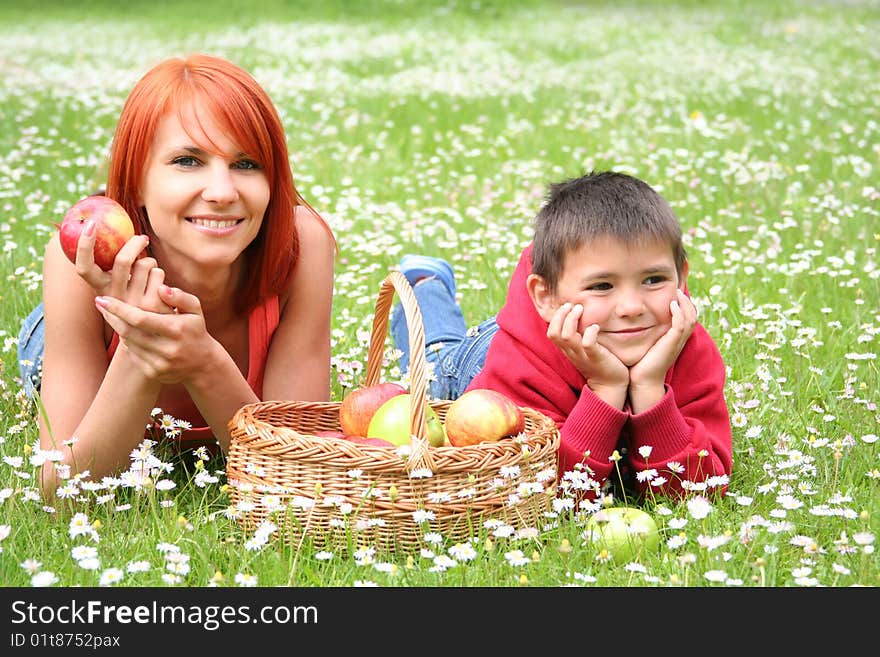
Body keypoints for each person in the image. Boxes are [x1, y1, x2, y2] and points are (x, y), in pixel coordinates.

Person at [17, 54, 336, 497]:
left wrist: (202, 361)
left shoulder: (301, 246)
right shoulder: (81, 260)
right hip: (87, 319)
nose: (223, 193)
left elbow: (292, 477)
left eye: (246, 164)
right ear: (136, 182)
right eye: (188, 161)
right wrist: (139, 341)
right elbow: (61, 491)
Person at [392, 171, 732, 500]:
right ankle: (425, 283)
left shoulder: (688, 347)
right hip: (493, 355)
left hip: (585, 327)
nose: (631, 307)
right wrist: (606, 388)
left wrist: (649, 388)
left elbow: (701, 487)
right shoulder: (521, 367)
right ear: (546, 297)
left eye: (654, 279)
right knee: (436, 354)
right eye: (602, 286)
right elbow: (543, 490)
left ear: (681, 278)